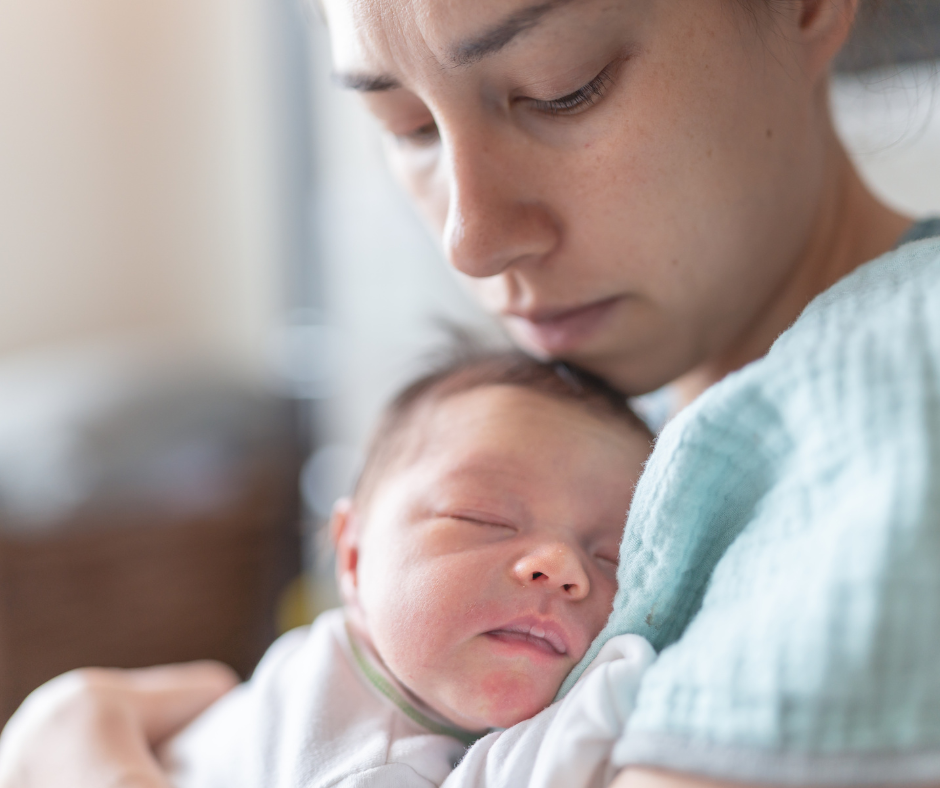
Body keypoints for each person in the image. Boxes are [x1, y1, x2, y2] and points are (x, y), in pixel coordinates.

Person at [2, 1, 940, 786]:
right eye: (406, 127)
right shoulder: (618, 423)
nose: (470, 240)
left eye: (561, 88)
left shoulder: (897, 383)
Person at [156, 350, 653, 787]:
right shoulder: (364, 764)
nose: (562, 565)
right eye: (482, 518)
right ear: (353, 555)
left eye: (611, 556)